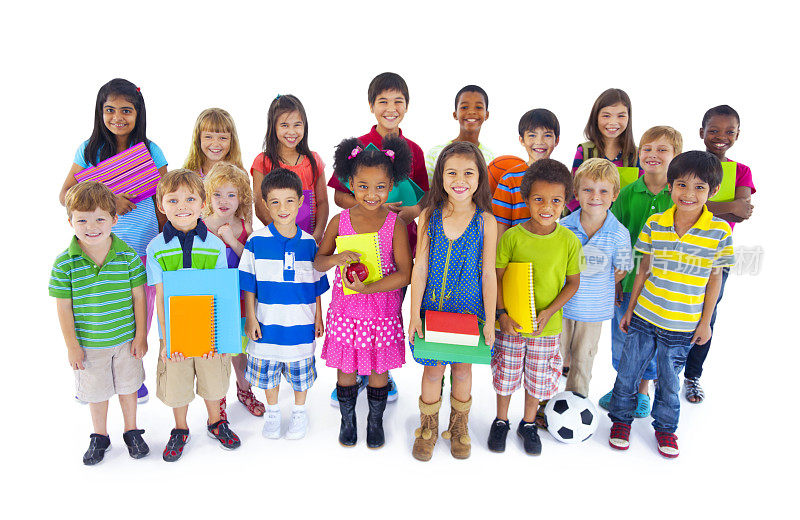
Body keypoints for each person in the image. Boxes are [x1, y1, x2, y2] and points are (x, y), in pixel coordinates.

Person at [608, 151, 735, 458]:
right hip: (644, 315)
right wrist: (629, 308)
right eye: (681, 185)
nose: (689, 194)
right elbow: (643, 268)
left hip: (682, 324)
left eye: (699, 187)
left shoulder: (719, 232)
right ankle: (621, 420)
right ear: (670, 186)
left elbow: (714, 281)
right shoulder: (656, 222)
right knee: (628, 372)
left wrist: (705, 322)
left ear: (713, 191)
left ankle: (665, 428)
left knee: (669, 381)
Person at [60, 78, 168, 404]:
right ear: (100, 112)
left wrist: (166, 242)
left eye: (126, 110)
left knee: (140, 314)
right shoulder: (89, 150)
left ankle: (131, 375)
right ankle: (95, 378)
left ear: (138, 112)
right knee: (100, 313)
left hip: (143, 248)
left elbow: (165, 199)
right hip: (100, 250)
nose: (117, 116)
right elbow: (65, 194)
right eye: (110, 110)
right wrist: (109, 198)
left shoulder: (151, 149)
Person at [327, 72, 426, 403]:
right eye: (383, 101)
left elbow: (424, 198)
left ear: (407, 107)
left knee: (386, 308)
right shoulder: (358, 148)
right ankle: (351, 369)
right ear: (371, 106)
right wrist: (369, 206)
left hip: (397, 240)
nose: (391, 107)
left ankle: (379, 372)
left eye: (398, 101)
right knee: (355, 303)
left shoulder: (413, 150)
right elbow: (341, 197)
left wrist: (401, 214)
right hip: (359, 238)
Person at [314, 136, 413, 449]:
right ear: (350, 183)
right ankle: (347, 420)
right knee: (346, 368)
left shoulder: (394, 223)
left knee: (378, 370)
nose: (372, 194)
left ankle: (375, 421)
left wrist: (370, 286)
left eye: (381, 187)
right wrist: (335, 259)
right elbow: (317, 262)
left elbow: (405, 274)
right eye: (364, 186)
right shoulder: (339, 221)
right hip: (347, 312)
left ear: (391, 185)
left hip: (382, 313)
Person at [408, 142, 497, 461]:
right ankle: (427, 427)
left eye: (468, 172)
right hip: (432, 310)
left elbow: (488, 273)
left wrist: (490, 319)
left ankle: (459, 426)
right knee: (432, 372)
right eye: (452, 172)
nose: (460, 179)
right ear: (441, 177)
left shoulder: (487, 221)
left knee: (462, 370)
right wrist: (413, 314)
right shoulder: (429, 215)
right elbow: (419, 267)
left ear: (480, 177)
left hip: (469, 310)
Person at [50, 182, 149, 465]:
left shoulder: (128, 256)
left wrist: (141, 335)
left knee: (129, 387)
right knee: (97, 392)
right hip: (90, 345)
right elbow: (63, 306)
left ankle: (131, 431)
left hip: (126, 341)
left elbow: (139, 297)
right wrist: (72, 346)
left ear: (114, 220)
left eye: (100, 219)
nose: (91, 226)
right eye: (82, 219)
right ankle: (100, 435)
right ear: (70, 221)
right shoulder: (64, 264)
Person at [488, 159, 583, 456]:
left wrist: (549, 311)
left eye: (555, 200)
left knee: (538, 377)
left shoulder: (569, 240)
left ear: (565, 203)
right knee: (506, 372)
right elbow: (497, 277)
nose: (547, 206)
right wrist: (501, 314)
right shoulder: (513, 237)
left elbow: (572, 283)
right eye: (538, 199)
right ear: (526, 200)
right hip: (512, 324)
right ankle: (501, 420)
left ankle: (528, 423)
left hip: (547, 327)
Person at [146, 169, 241, 462]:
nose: (182, 206)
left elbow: (222, 292)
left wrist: (220, 337)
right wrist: (166, 340)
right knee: (177, 381)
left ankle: (216, 422)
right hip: (176, 331)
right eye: (173, 200)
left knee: (213, 377)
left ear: (203, 204)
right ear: (161, 206)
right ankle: (180, 428)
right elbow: (161, 297)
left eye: (190, 198)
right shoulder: (156, 248)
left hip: (209, 328)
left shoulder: (214, 244)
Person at [598, 126, 683, 415]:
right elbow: (614, 235)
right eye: (647, 149)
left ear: (677, 156)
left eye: (662, 150)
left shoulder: (679, 197)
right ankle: (622, 385)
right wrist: (617, 280)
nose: (653, 155)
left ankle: (643, 390)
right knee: (622, 335)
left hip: (661, 285)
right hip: (627, 278)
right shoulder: (627, 192)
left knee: (650, 341)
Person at [239, 168, 329, 440]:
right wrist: (252, 318)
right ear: (265, 204)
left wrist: (318, 317)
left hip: (300, 325)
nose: (283, 208)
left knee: (301, 372)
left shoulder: (309, 244)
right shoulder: (256, 241)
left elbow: (316, 287)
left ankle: (300, 412)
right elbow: (249, 283)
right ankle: (274, 411)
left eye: (289, 200)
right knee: (268, 372)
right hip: (267, 324)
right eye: (275, 202)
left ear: (301, 201)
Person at [683, 105, 755, 403]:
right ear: (701, 133)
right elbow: (679, 205)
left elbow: (744, 211)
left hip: (716, 256)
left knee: (706, 315)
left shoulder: (741, 171)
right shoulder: (688, 164)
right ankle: (663, 373)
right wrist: (726, 207)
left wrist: (699, 206)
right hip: (680, 250)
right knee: (673, 307)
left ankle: (692, 376)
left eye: (729, 131)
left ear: (738, 135)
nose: (720, 136)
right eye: (713, 130)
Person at [559, 159, 632, 400]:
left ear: (614, 195)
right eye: (587, 189)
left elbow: (622, 269)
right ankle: (544, 404)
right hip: (562, 307)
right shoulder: (564, 228)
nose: (595, 196)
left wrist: (600, 278)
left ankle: (575, 405)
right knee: (553, 357)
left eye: (603, 191)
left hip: (594, 310)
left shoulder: (619, 233)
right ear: (576, 192)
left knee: (583, 360)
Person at [202, 163, 265, 419]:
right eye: (217, 194)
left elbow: (251, 265)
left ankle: (244, 390)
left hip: (240, 299)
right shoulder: (200, 225)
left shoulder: (244, 227)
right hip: (211, 301)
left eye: (231, 195)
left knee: (239, 350)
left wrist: (231, 240)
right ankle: (217, 400)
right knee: (216, 352)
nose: (224, 201)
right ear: (208, 196)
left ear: (241, 199)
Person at [251, 94, 329, 243]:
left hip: (309, 241)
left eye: (297, 125)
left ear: (305, 126)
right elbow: (260, 205)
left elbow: (323, 202)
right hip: (277, 240)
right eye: (285, 125)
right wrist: (282, 235)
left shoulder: (314, 160)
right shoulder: (262, 161)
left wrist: (317, 235)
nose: (291, 132)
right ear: (273, 127)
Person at [491, 108, 561, 236]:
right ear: (522, 140)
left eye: (547, 135)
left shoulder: (562, 178)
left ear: (556, 140)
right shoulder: (509, 179)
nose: (539, 142)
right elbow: (500, 226)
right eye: (532, 135)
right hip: (516, 253)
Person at [568, 88, 637, 212]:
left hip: (622, 224)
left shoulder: (637, 155)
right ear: (596, 117)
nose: (613, 122)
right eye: (606, 115)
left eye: (621, 116)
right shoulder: (584, 152)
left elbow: (637, 195)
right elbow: (572, 194)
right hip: (584, 223)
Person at [424, 85, 495, 186]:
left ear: (486, 115)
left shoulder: (491, 158)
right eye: (464, 107)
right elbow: (428, 193)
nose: (471, 111)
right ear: (455, 114)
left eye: (478, 107)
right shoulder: (435, 153)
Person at [183, 107, 245, 177]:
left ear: (232, 141)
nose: (215, 144)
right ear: (198, 138)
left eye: (223, 138)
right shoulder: (189, 174)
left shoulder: (239, 175)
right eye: (208, 137)